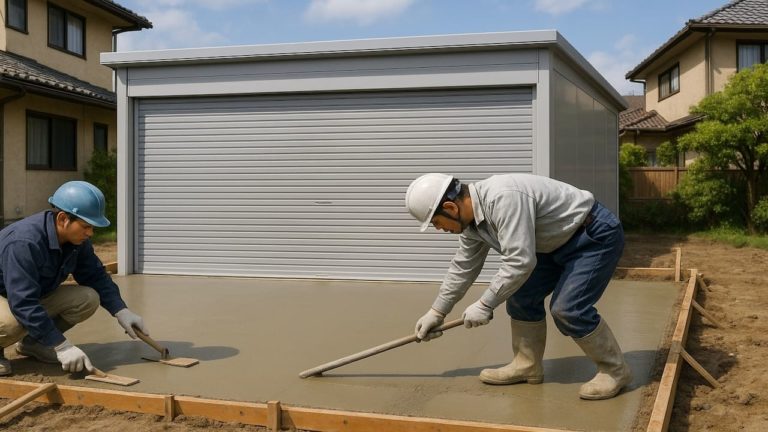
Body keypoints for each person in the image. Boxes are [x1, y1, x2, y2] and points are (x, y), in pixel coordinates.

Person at [405, 173, 631, 400]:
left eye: (436, 222)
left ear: (450, 207)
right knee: (521, 295)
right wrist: (437, 311)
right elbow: (463, 267)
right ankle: (527, 365)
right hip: (550, 243)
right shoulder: (471, 225)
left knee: (568, 309)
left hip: (591, 234)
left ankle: (614, 371)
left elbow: (520, 261)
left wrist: (484, 304)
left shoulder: (503, 198)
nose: (438, 229)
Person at [0, 181, 149, 376]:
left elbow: (95, 275)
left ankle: (34, 343)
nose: (90, 233)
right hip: (11, 298)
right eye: (86, 226)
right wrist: (61, 345)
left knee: (87, 298)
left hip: (21, 296)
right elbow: (23, 303)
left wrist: (121, 310)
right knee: (11, 323)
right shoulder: (25, 243)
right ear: (63, 219)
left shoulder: (76, 241)